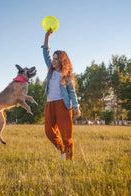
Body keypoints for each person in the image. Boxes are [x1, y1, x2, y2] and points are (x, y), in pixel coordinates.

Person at [41, 29, 81, 160]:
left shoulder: (66, 75)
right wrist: (47, 36)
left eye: (56, 59)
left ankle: (69, 160)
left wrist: (76, 106)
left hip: (62, 105)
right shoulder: (50, 70)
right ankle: (62, 150)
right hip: (49, 104)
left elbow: (71, 92)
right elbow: (45, 52)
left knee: (66, 135)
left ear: (62, 61)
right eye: (53, 58)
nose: (53, 60)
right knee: (48, 132)